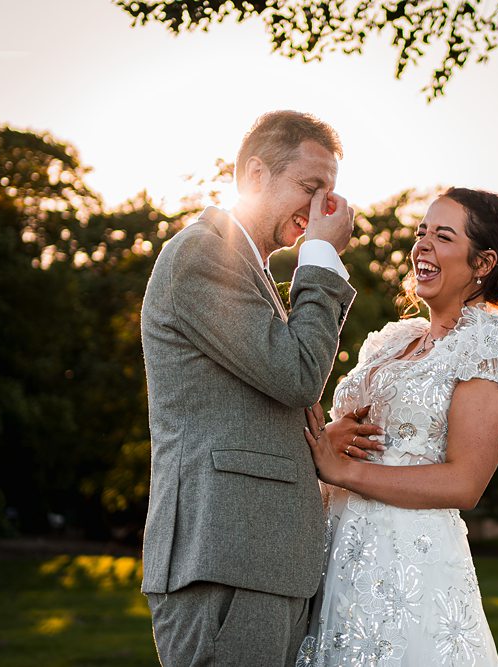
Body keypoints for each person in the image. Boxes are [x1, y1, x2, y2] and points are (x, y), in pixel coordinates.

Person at [140, 110, 381, 666]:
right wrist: (320, 257)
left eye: (330, 193)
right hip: (226, 559)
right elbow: (296, 374)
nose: (323, 207)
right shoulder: (204, 254)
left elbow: (259, 396)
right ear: (253, 175)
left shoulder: (250, 270)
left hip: (257, 560)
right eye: (310, 186)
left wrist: (317, 438)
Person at [298, 187, 498, 666]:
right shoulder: (391, 342)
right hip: (334, 552)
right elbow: (346, 437)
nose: (422, 246)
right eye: (422, 233)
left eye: (443, 236)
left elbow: (464, 482)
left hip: (408, 563)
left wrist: (347, 473)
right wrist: (332, 438)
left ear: (482, 264)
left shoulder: (493, 346)